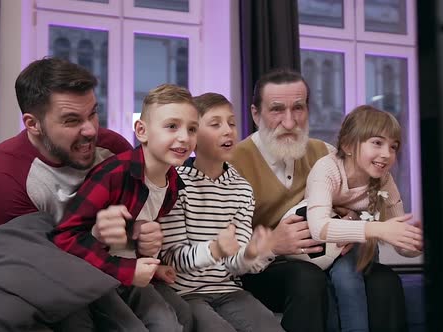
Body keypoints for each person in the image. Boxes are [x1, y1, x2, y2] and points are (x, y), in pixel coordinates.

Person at [0, 57, 166, 330]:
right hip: (44, 278)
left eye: (92, 113)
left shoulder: (113, 146)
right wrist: (98, 235)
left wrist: (140, 232)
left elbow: (134, 221)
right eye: (71, 120)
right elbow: (38, 265)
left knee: (167, 320)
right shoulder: (3, 174)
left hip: (109, 265)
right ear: (33, 124)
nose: (90, 130)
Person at [230, 68, 411, 332]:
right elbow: (219, 248)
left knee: (384, 280)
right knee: (307, 278)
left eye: (298, 108)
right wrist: (273, 244)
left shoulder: (325, 154)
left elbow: (359, 198)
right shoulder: (233, 164)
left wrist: (352, 223)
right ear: (256, 114)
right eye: (277, 110)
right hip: (261, 270)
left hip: (327, 259)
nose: (290, 122)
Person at [50, 83, 200, 332]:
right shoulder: (113, 174)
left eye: (192, 128)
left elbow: (138, 236)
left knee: (179, 317)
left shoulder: (173, 184)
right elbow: (65, 238)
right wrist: (128, 270)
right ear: (142, 131)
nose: (185, 137)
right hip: (94, 276)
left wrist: (152, 263)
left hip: (129, 275)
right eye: (172, 126)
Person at [158, 92, 284, 332]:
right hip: (185, 293)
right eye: (216, 124)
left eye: (232, 123)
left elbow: (235, 266)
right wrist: (214, 249)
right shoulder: (174, 183)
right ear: (193, 135)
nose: (228, 130)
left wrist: (252, 253)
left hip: (228, 289)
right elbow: (173, 258)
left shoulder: (242, 189)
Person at [304, 105, 423, 332]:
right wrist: (376, 229)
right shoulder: (327, 169)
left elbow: (400, 241)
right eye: (377, 143)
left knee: (348, 273)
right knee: (340, 279)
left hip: (358, 250)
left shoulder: (384, 180)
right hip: (318, 250)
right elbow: (319, 227)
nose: (387, 154)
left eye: (393, 146)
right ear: (348, 145)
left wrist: (415, 243)